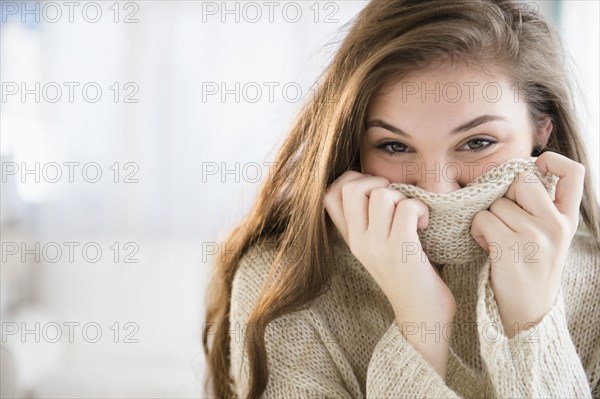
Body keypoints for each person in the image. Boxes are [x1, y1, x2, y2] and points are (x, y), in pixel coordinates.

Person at [202, 1, 600, 398]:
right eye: (394, 146)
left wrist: (533, 322)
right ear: (353, 145)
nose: (436, 189)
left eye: (478, 143)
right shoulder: (283, 283)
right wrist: (420, 324)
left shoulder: (593, 279)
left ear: (542, 130)